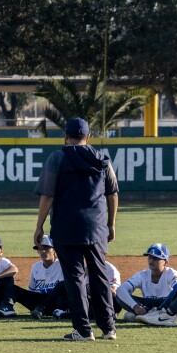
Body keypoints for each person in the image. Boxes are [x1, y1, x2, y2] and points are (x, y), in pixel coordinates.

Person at [34, 117, 119, 341]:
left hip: (66, 227)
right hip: (97, 228)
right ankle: (109, 328)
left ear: (65, 136)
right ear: (88, 137)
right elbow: (113, 193)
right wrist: (111, 224)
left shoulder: (57, 158)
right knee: (100, 276)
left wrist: (39, 226)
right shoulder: (102, 159)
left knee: (75, 279)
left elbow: (47, 195)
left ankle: (83, 330)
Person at [115, 243, 177, 322]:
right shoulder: (142, 275)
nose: (151, 260)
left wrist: (163, 307)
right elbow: (121, 290)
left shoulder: (172, 273)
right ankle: (151, 316)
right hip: (146, 306)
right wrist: (135, 307)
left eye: (155, 258)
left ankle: (148, 316)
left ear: (165, 262)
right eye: (150, 257)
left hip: (166, 305)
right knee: (119, 296)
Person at [9, 235, 70, 319]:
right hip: (38, 304)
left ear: (54, 250)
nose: (43, 251)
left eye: (47, 248)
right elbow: (32, 290)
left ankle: (43, 308)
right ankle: (7, 308)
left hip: (55, 303)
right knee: (13, 288)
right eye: (40, 248)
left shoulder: (61, 265)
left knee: (62, 285)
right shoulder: (36, 266)